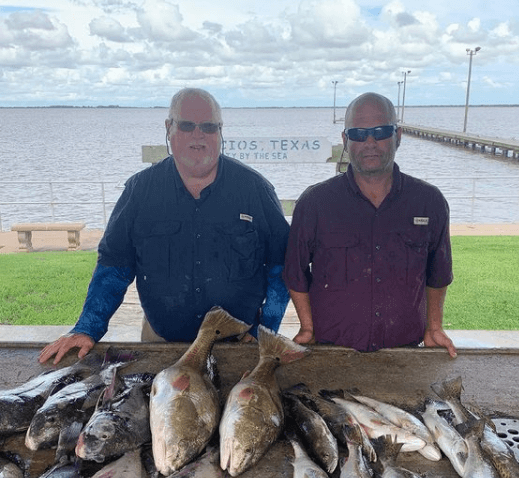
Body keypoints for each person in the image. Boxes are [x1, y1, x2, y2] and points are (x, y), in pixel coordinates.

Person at [40, 88, 290, 364]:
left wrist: (265, 329)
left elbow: (282, 268)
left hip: (240, 345)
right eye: (187, 125)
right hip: (161, 345)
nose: (198, 135)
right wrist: (88, 327)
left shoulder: (254, 189)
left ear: (220, 131)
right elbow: (114, 267)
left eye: (208, 127)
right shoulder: (140, 190)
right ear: (169, 128)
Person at [283, 92, 456, 358]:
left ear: (397, 136)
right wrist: (307, 327)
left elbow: (439, 273)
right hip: (331, 350)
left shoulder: (429, 202)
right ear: (345, 140)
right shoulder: (315, 203)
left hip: (406, 352)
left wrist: (434, 327)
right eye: (359, 134)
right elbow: (295, 273)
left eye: (381, 131)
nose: (370, 142)